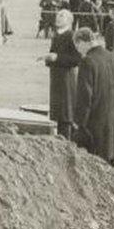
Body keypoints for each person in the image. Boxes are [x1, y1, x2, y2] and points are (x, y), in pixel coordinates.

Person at [72, 28, 114, 166]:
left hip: (96, 128)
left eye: (77, 46)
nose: (78, 51)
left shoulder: (87, 62)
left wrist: (79, 123)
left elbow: (85, 97)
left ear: (82, 42)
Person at [38, 9, 79, 139]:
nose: (58, 17)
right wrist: (48, 58)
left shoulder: (72, 35)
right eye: (57, 15)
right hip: (56, 79)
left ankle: (68, 142)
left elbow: (76, 59)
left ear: (69, 20)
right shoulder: (56, 35)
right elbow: (53, 55)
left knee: (66, 114)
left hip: (66, 79)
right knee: (58, 114)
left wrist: (57, 58)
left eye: (61, 16)